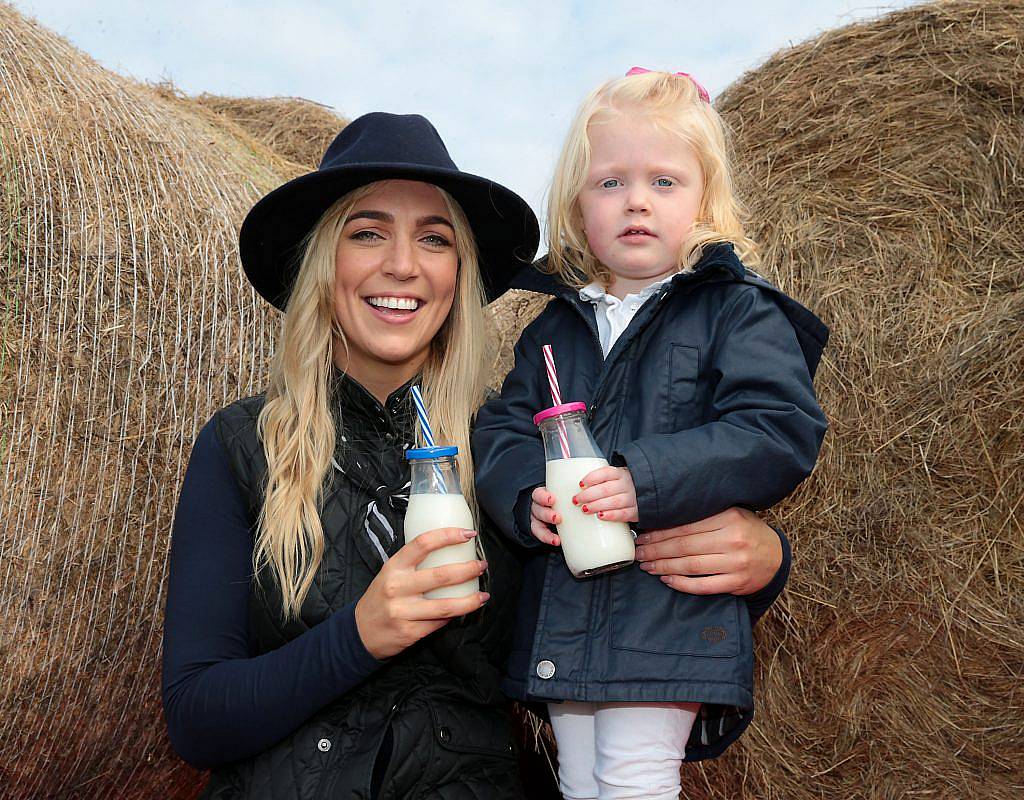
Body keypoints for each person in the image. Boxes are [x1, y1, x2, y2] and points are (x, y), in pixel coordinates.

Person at [161, 112, 796, 800]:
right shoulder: (242, 445)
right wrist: (363, 635)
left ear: (458, 273)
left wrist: (761, 565)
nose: (402, 264)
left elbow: (603, 621)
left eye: (434, 239)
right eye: (367, 232)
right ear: (322, 264)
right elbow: (197, 722)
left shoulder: (511, 453)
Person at [472, 69, 828, 800]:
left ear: (704, 202)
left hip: (669, 606)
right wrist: (524, 495)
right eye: (610, 183)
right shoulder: (552, 330)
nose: (636, 200)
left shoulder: (736, 311)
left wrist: (646, 477)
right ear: (577, 207)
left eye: (664, 182)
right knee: (578, 782)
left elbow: (778, 426)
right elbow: (502, 428)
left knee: (634, 778)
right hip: (565, 613)